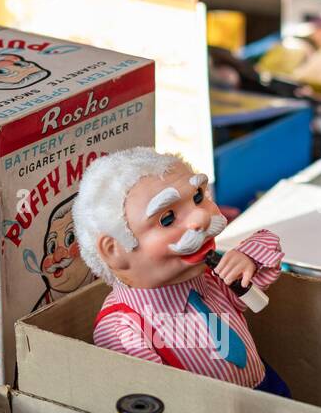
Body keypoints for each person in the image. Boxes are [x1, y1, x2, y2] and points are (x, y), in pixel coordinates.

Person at [73, 148, 290, 396]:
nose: (201, 217)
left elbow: (267, 246)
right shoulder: (123, 326)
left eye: (198, 197)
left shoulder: (209, 278)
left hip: (269, 388)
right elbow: (160, 404)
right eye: (167, 218)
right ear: (116, 250)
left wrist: (247, 258)